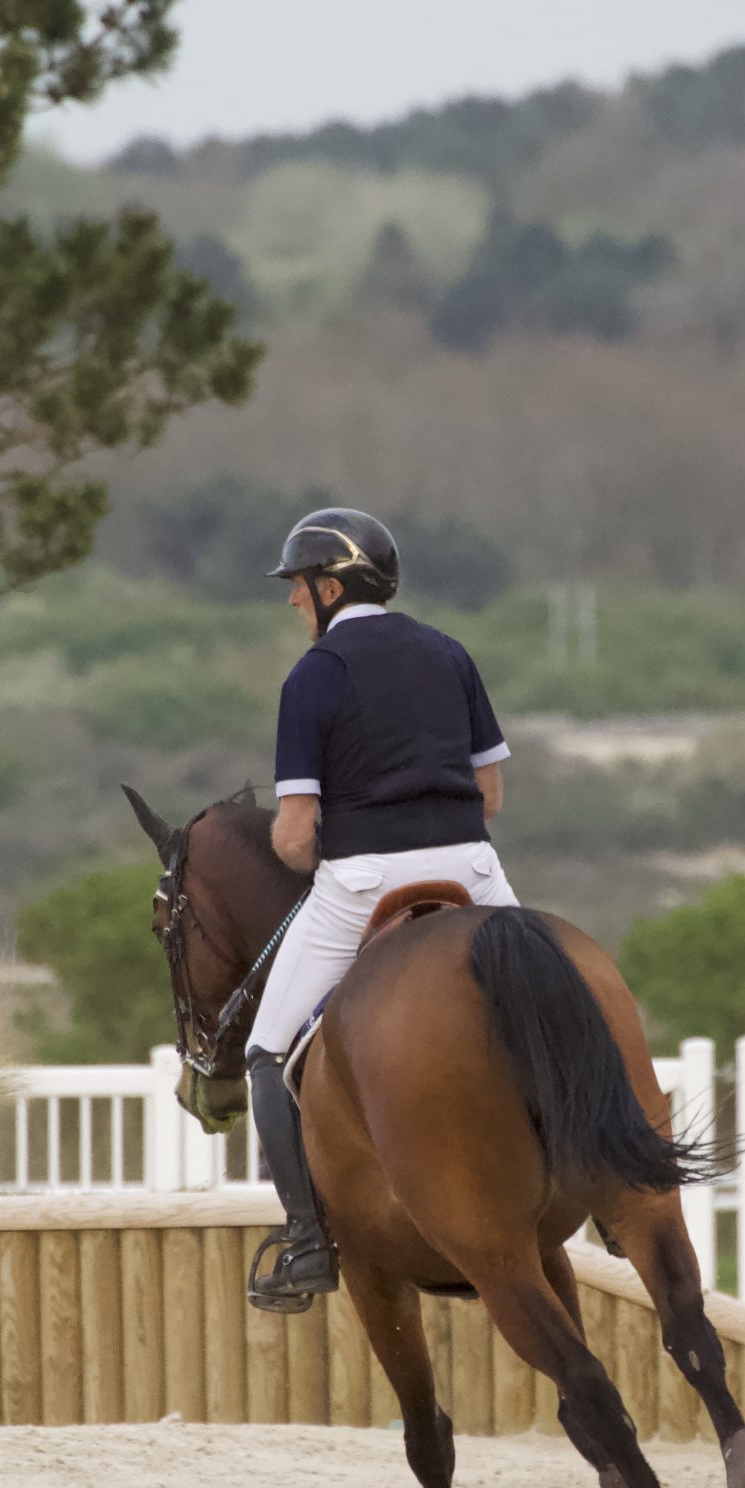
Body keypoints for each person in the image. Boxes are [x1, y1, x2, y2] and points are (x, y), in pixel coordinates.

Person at [242, 507, 519, 1311]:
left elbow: (295, 837)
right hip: (471, 864)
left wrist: (317, 844)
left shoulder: (315, 675)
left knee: (264, 1050)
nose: (294, 601)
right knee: (560, 999)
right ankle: (617, 1182)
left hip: (362, 879)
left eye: (298, 586)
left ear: (331, 586)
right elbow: (491, 795)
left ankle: (306, 1243)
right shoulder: (449, 651)